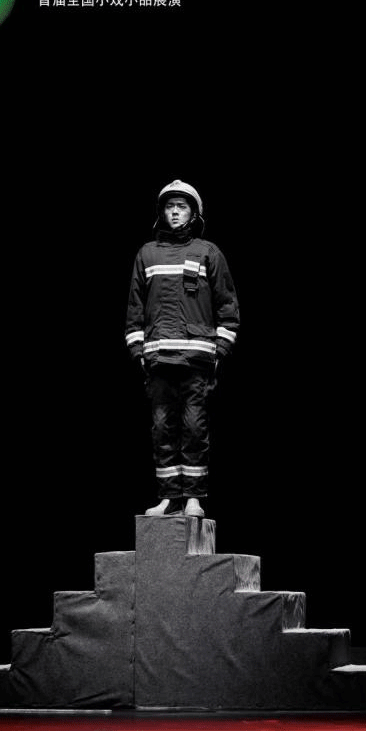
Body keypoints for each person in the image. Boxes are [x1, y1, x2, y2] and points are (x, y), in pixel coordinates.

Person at [126, 180, 240, 518]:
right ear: (161, 212)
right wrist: (138, 351)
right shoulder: (147, 254)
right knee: (162, 428)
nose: (175, 212)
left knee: (194, 427)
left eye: (182, 207)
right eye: (169, 206)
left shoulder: (208, 252)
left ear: (194, 213)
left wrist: (220, 350)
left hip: (196, 360)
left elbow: (228, 307)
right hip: (159, 359)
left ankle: (193, 497)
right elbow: (134, 309)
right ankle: (169, 498)